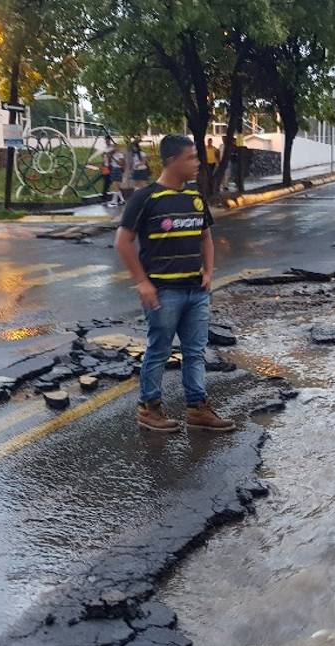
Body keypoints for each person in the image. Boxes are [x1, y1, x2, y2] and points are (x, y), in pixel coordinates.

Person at [115, 134, 235, 433]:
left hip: (197, 291)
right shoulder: (146, 198)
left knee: (195, 351)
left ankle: (197, 408)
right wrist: (142, 282)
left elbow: (205, 235)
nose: (198, 163)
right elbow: (123, 241)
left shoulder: (195, 197)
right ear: (172, 161)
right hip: (164, 292)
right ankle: (149, 408)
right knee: (159, 350)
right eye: (192, 158)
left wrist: (209, 271)